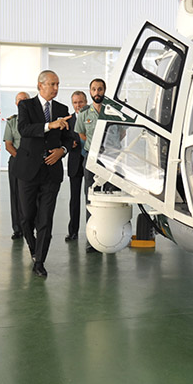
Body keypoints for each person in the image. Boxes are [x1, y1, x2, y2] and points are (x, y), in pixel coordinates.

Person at [11, 70, 76, 278]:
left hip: (51, 172)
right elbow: (24, 129)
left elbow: (68, 138)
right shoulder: (26, 106)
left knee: (45, 219)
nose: (56, 88)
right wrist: (50, 125)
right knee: (27, 217)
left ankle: (39, 261)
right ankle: (33, 247)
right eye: (52, 84)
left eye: (58, 84)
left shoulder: (62, 109)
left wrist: (62, 151)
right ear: (40, 86)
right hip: (28, 170)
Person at [75, 78, 107, 254]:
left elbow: (122, 132)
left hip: (109, 161)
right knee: (90, 198)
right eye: (94, 89)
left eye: (100, 89)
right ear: (90, 92)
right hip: (90, 159)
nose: (97, 93)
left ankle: (109, 236)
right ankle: (92, 241)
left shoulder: (111, 111)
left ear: (104, 91)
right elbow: (81, 132)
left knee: (110, 197)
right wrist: (93, 146)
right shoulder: (84, 113)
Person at [3, 92, 30, 240]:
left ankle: (30, 226)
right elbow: (8, 145)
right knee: (15, 195)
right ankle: (17, 228)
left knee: (31, 196)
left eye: (25, 100)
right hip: (16, 160)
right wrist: (20, 158)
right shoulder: (12, 122)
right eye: (20, 100)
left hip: (32, 162)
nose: (22, 103)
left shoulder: (34, 121)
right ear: (16, 103)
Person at [65, 90, 87, 241]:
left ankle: (94, 232)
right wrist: (69, 143)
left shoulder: (93, 118)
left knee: (91, 199)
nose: (78, 105)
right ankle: (73, 231)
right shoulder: (69, 120)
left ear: (86, 102)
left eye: (81, 102)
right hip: (74, 163)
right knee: (74, 199)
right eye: (75, 102)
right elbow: (63, 139)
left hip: (91, 163)